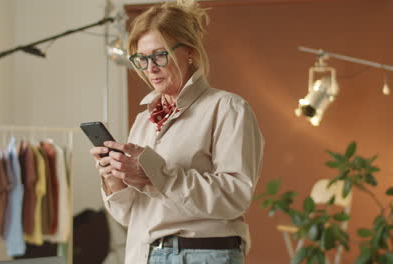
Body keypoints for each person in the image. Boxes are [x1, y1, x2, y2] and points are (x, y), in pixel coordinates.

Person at [89, 1, 264, 263]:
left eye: (159, 55)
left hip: (202, 253)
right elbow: (131, 214)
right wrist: (114, 180)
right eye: (141, 58)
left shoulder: (227, 108)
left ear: (190, 52)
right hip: (144, 253)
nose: (150, 68)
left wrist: (155, 173)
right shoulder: (144, 120)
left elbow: (234, 196)